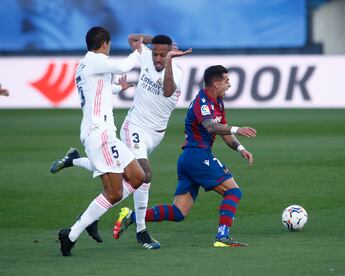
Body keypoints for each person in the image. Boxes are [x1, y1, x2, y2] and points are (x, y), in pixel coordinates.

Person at [51, 33, 192, 249]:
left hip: (154, 133)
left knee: (123, 173)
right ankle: (141, 230)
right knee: (143, 175)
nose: (157, 59)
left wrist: (163, 58)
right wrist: (150, 42)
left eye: (162, 55)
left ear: (170, 55)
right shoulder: (141, 55)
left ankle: (76, 165)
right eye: (155, 53)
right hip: (132, 127)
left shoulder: (177, 73)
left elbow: (168, 89)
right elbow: (133, 39)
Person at [116, 65, 257, 247]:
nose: (229, 85)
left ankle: (131, 216)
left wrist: (240, 148)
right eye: (227, 81)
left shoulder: (218, 103)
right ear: (216, 83)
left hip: (190, 159)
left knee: (178, 212)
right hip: (197, 156)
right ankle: (222, 237)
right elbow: (211, 127)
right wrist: (239, 129)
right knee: (233, 191)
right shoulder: (202, 102)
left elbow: (224, 130)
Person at [56, 26, 146, 256]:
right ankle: (73, 233)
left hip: (105, 132)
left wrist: (119, 87)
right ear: (104, 44)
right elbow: (124, 66)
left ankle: (90, 216)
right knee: (114, 193)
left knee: (137, 177)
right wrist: (138, 50)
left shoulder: (86, 64)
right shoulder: (95, 60)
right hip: (99, 133)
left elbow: (99, 89)